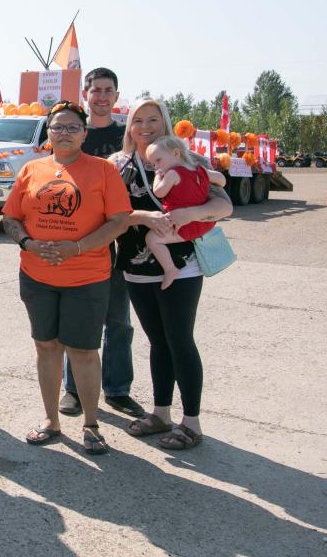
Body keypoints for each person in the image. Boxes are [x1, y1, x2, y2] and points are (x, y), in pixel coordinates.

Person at [2, 100, 131, 454]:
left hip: (86, 278)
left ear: (84, 134)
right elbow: (10, 218)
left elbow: (119, 221)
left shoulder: (103, 171)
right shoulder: (31, 170)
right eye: (57, 126)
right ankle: (51, 421)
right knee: (46, 347)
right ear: (48, 133)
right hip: (36, 276)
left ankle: (91, 425)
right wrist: (28, 243)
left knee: (84, 351)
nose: (64, 132)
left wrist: (77, 248)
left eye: (73, 127)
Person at [112, 98, 233, 450]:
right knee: (157, 342)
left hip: (182, 265)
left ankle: (191, 423)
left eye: (153, 119)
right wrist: (142, 218)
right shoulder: (117, 166)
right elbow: (110, 214)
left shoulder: (187, 158)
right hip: (136, 266)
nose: (145, 126)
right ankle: (161, 413)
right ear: (129, 126)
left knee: (180, 340)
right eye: (138, 120)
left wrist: (188, 213)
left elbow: (223, 205)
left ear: (165, 124)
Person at [60, 67, 145, 420]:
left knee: (119, 321)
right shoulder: (75, 133)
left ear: (116, 95)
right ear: (86, 93)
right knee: (78, 319)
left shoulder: (128, 135)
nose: (102, 96)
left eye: (108, 90)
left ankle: (117, 389)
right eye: (96, 90)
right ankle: (73, 390)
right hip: (81, 240)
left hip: (121, 240)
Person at [144, 136, 228, 289]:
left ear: (176, 153)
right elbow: (222, 180)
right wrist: (208, 177)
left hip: (183, 225)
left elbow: (159, 192)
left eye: (158, 160)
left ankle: (170, 269)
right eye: (153, 164)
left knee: (152, 239)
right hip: (205, 223)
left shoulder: (172, 174)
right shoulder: (200, 169)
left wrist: (157, 177)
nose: (156, 166)